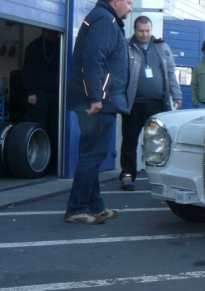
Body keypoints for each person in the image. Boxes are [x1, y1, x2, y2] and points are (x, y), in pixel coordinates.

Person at [64, 0, 133, 224]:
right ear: (116, 2)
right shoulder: (105, 20)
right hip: (98, 102)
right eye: (129, 2)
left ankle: (95, 206)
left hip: (99, 100)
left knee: (92, 155)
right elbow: (93, 60)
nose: (130, 7)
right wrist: (96, 97)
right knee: (92, 155)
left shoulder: (103, 18)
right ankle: (77, 208)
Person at [119, 15, 182, 191]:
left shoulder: (162, 47)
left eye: (147, 31)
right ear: (135, 30)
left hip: (158, 104)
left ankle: (161, 176)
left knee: (160, 142)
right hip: (134, 104)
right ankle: (127, 176)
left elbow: (170, 73)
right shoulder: (126, 46)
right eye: (141, 31)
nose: (144, 34)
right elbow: (120, 74)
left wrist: (176, 95)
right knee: (129, 141)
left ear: (151, 30)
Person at [22, 28, 60, 172]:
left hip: (57, 95)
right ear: (43, 31)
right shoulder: (34, 47)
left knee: (55, 128)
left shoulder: (60, 45)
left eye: (54, 32)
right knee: (39, 127)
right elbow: (28, 71)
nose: (52, 34)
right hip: (39, 94)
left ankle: (53, 162)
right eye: (49, 32)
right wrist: (31, 92)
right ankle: (37, 161)